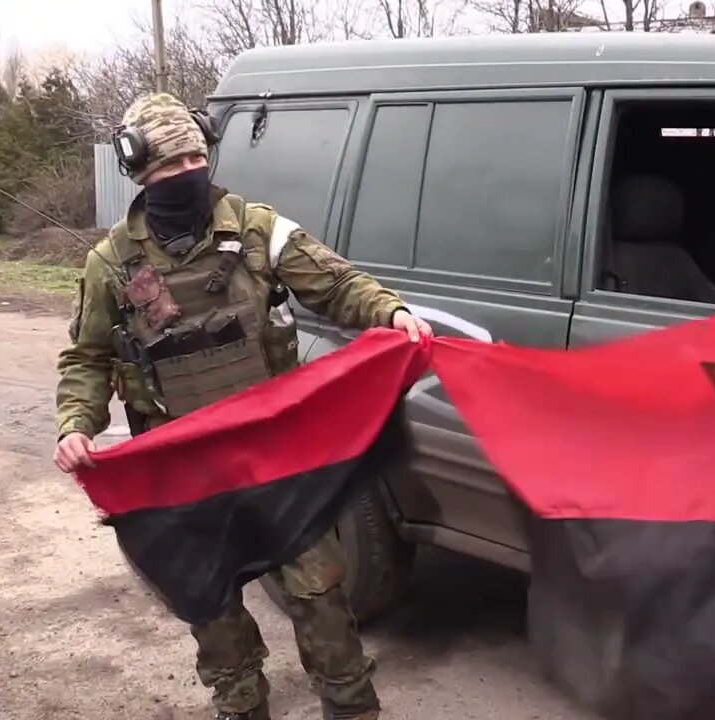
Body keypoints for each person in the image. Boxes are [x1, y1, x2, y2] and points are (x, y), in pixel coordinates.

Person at [53, 91, 432, 720]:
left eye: (194, 160)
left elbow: (337, 285)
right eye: (168, 168)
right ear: (141, 175)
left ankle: (349, 704)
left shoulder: (259, 230)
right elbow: (88, 358)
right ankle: (240, 705)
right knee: (212, 602)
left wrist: (389, 311)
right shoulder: (111, 264)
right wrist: (76, 425)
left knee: (318, 589)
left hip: (274, 457)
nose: (185, 175)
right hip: (186, 469)